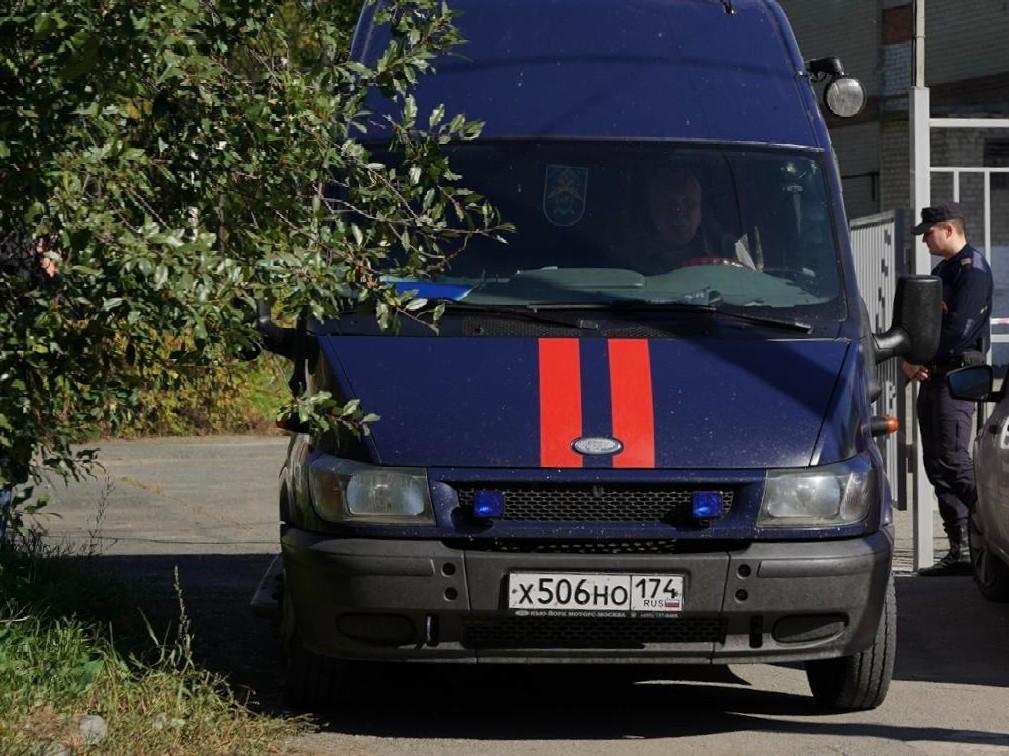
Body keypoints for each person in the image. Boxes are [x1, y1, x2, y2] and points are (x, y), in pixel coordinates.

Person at [902, 202, 993, 576]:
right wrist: (913, 359)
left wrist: (921, 357)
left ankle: (993, 526)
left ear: (949, 230)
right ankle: (961, 550)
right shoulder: (945, 270)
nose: (924, 239)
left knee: (955, 462)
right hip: (935, 375)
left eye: (929, 232)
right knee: (937, 465)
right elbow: (927, 322)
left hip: (955, 378)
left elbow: (957, 330)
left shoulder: (973, 273)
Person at [633, 170, 755, 275]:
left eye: (689, 203)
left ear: (700, 212)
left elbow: (752, 291)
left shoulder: (729, 249)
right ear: (654, 212)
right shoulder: (630, 258)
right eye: (669, 204)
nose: (679, 212)